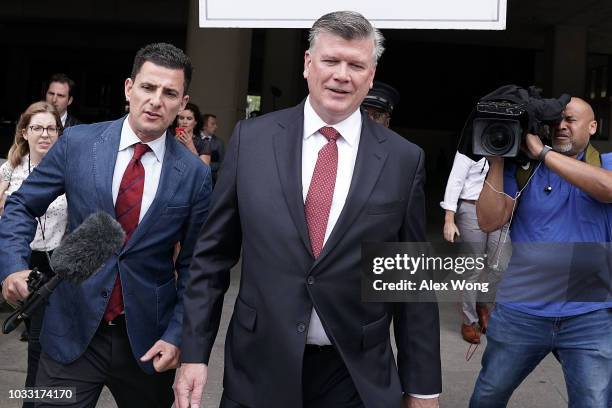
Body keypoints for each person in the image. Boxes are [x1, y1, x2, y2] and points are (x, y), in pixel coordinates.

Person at [175, 11, 441, 408]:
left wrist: (422, 388)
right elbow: (211, 259)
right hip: (259, 365)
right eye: (331, 61)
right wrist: (193, 354)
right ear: (307, 64)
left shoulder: (404, 159)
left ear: (371, 75)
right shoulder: (252, 141)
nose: (342, 75)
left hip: (355, 373)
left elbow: (411, 282)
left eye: (356, 65)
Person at [0, 42, 211, 408]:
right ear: (129, 88)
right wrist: (14, 268)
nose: (156, 100)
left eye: (169, 93)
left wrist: (179, 335)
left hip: (148, 344)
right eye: (148, 87)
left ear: (182, 102)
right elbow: (20, 204)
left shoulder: (194, 175)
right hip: (70, 331)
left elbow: (197, 267)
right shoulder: (78, 144)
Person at [470, 97, 612, 407]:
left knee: (594, 403)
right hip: (521, 312)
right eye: (555, 121)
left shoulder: (607, 163)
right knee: (487, 397)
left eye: (570, 120)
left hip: (588, 316)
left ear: (592, 127)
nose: (561, 126)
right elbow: (488, 221)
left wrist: (542, 153)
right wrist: (498, 158)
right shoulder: (523, 170)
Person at [0, 102, 68, 407]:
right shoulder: (10, 168)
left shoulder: (68, 169)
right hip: (21, 261)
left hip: (54, 263)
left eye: (51, 128)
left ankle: (35, 399)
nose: (45, 134)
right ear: (24, 132)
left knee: (41, 342)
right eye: (37, 127)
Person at [440, 151, 509, 344]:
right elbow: (455, 181)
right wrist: (449, 218)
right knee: (474, 267)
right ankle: (469, 320)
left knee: (500, 265)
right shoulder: (469, 147)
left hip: (498, 210)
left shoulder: (509, 146)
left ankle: (481, 303)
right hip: (471, 207)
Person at [199, 113, 224, 185]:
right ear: (204, 125)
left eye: (216, 124)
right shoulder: (193, 139)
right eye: (213, 124)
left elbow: (222, 163)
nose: (216, 127)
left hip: (212, 181)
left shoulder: (219, 143)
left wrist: (207, 167)